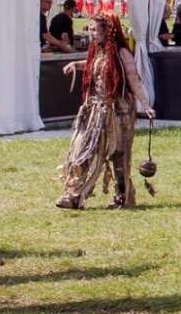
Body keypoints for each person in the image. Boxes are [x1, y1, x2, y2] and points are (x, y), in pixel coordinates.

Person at [56, 13, 154, 211]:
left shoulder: (122, 54)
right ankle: (74, 195)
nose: (91, 34)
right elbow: (94, 66)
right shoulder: (97, 51)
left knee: (118, 154)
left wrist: (146, 105)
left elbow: (133, 79)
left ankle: (123, 196)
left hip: (117, 112)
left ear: (108, 31)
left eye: (95, 30)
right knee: (83, 150)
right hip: (94, 110)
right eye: (90, 29)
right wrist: (76, 64)